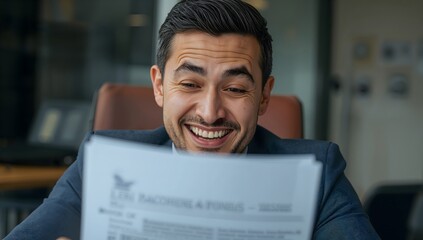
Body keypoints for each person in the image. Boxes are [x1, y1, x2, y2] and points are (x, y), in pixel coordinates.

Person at [5, 0, 380, 239]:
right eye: (189, 84)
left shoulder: (318, 174)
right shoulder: (103, 162)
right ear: (159, 86)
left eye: (234, 89)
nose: (209, 112)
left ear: (264, 95)